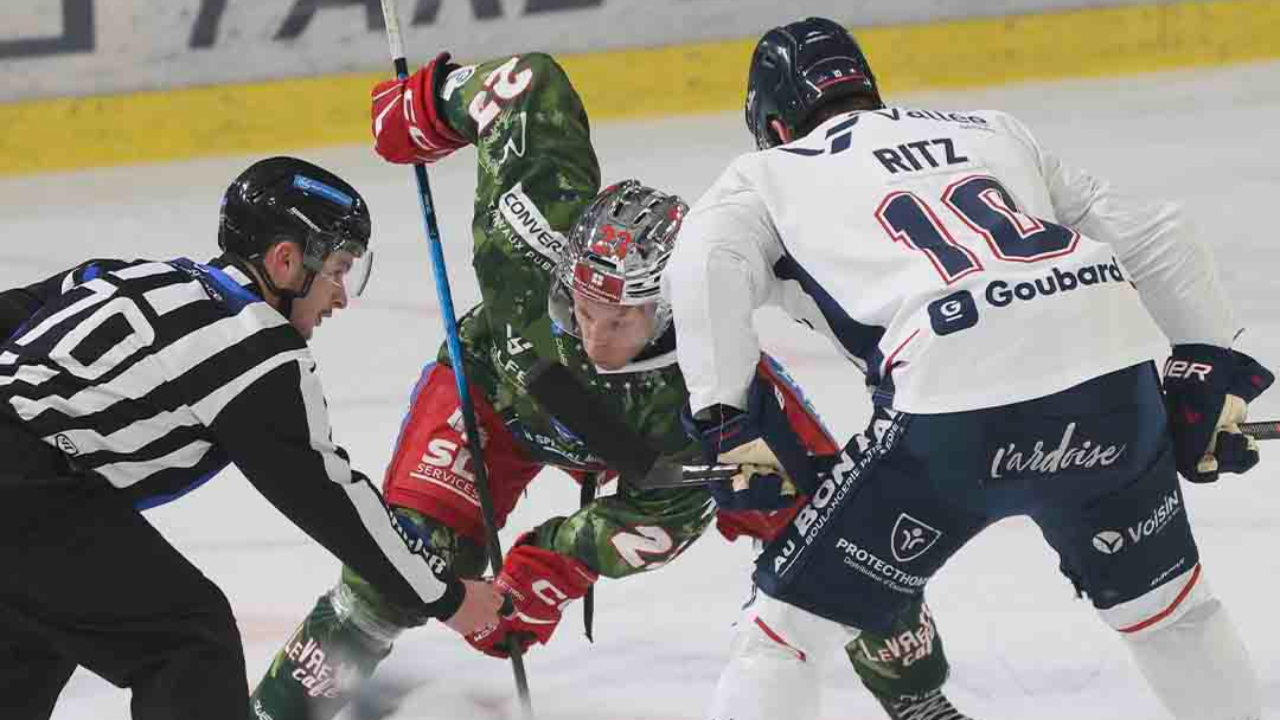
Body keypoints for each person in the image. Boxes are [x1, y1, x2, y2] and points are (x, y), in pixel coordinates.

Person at [248, 52, 973, 720]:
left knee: (840, 531)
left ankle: (917, 699)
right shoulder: (528, 228)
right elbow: (528, 86)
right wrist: (434, 103)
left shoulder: (720, 395)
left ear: (670, 309)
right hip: (496, 398)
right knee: (395, 568)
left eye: (620, 319)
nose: (593, 338)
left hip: (648, 441)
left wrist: (547, 570)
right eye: (582, 306)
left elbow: (665, 512)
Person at [666, 16, 1273, 720]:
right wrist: (1208, 361)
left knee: (782, 638)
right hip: (1112, 384)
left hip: (951, 418)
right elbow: (1158, 233)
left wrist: (726, 418)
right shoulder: (992, 131)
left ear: (774, 126)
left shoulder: (765, 174)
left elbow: (704, 265)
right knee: (1174, 615)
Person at [0, 156, 503, 720]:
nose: (341, 296)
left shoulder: (131, 275)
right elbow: (329, 498)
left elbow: (9, 310)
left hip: (25, 497)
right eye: (338, 269)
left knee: (32, 638)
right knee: (190, 639)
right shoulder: (254, 348)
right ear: (285, 260)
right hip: (27, 490)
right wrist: (447, 596)